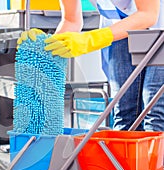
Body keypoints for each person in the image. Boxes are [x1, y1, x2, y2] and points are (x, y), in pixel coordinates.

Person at [19, 0, 164, 131]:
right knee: (124, 112)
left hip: (160, 24)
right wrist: (45, 46)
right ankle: (128, 160)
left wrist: (92, 39)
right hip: (121, 28)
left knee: (154, 110)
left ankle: (156, 160)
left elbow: (148, 14)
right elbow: (71, 21)